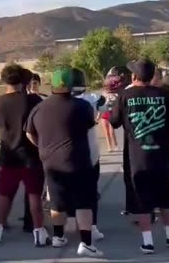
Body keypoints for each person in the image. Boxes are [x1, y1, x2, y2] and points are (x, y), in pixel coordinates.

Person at [25, 68, 103, 257]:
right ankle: (86, 243)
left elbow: (29, 132)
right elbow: (90, 125)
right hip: (78, 161)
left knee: (57, 203)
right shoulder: (82, 106)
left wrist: (43, 148)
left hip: (51, 163)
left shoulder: (39, 107)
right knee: (84, 203)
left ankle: (58, 237)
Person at [110, 59, 169, 254]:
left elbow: (114, 121)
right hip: (162, 156)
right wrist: (167, 136)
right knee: (166, 198)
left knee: (141, 200)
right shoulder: (166, 95)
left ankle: (148, 242)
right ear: (152, 76)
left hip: (137, 158)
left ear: (134, 76)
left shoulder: (125, 96)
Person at [0, 64, 49, 246]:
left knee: (4, 195)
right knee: (34, 195)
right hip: (31, 155)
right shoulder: (34, 100)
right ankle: (39, 232)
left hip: (8, 155)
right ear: (24, 81)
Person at [69, 68, 106, 240]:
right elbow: (104, 103)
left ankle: (68, 226)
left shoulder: (60, 101)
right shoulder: (92, 99)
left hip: (66, 154)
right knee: (90, 193)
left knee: (68, 192)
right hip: (90, 154)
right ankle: (92, 227)